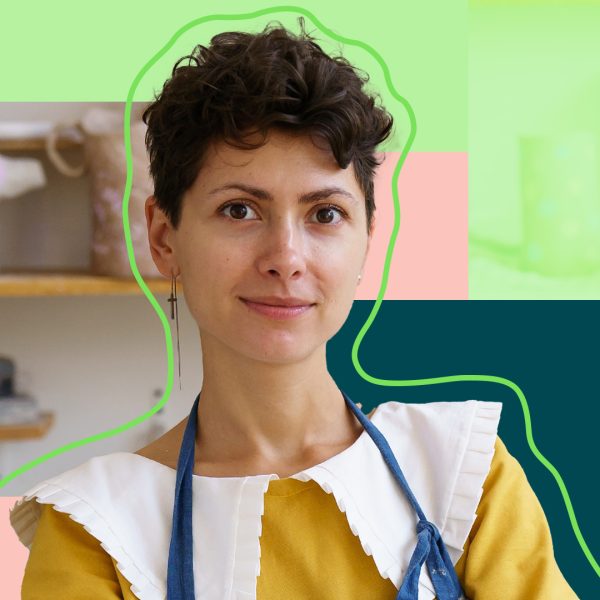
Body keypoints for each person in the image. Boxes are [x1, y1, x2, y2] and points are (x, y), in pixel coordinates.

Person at [10, 19, 578, 600]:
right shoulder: (96, 529)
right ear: (164, 238)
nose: (286, 257)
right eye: (239, 211)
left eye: (324, 214)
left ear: (366, 236)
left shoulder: (464, 474)